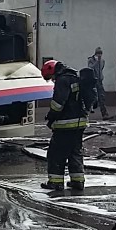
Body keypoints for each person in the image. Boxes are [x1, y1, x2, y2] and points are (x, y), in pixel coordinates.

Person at [41, 60, 88, 191]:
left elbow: (58, 104)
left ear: (52, 71)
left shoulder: (62, 80)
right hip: (80, 123)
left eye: (51, 78)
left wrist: (50, 117)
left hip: (65, 124)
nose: (52, 80)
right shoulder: (75, 77)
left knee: (56, 154)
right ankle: (78, 181)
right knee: (75, 152)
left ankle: (55, 182)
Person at [87, 47, 111, 120]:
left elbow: (101, 69)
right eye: (98, 53)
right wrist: (96, 62)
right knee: (91, 96)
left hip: (99, 81)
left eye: (100, 53)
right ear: (95, 53)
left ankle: (104, 114)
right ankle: (86, 113)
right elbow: (90, 68)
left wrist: (101, 77)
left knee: (102, 97)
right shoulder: (91, 60)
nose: (99, 55)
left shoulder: (102, 61)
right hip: (93, 81)